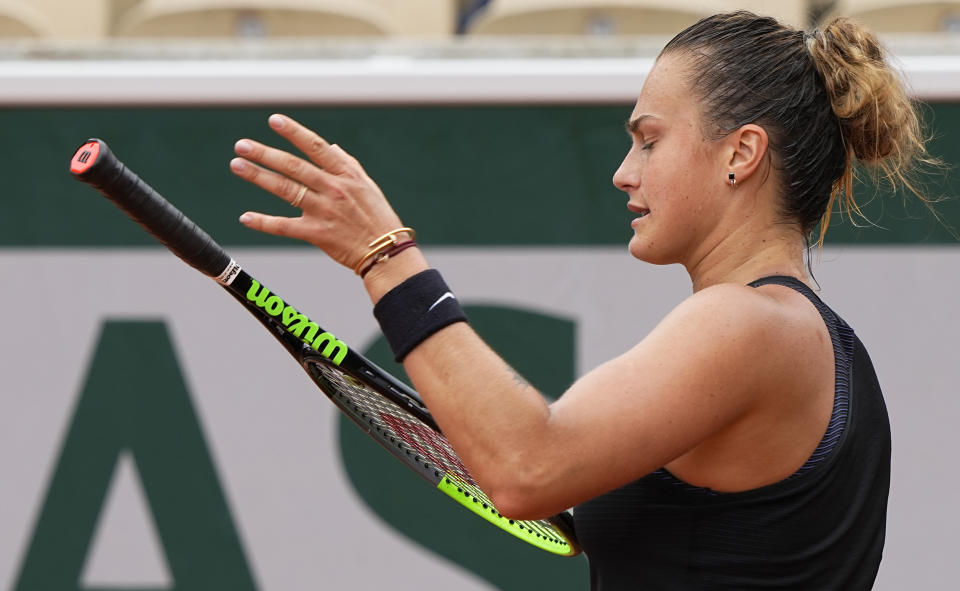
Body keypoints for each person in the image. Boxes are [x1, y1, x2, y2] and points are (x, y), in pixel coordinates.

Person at [229, 11, 933, 590]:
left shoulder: (749, 325)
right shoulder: (827, 346)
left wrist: (384, 255)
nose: (625, 174)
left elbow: (525, 465)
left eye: (649, 140)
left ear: (741, 153)